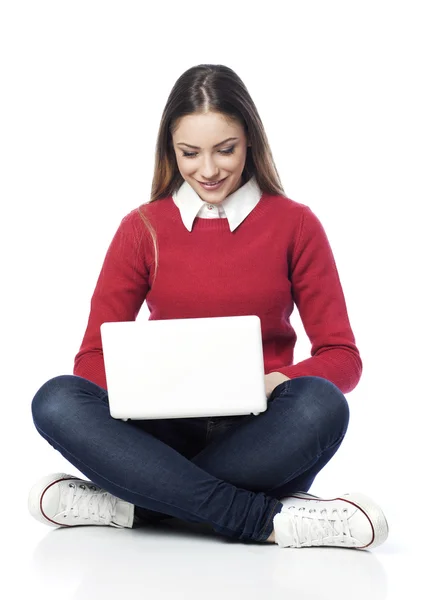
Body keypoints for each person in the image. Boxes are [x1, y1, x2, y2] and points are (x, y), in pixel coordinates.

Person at [29, 63, 388, 549]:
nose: (209, 170)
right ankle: (261, 520)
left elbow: (342, 356)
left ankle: (134, 502)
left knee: (322, 405)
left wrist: (271, 383)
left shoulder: (295, 225)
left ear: (250, 142)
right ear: (170, 151)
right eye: (190, 153)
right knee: (56, 400)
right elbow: (91, 359)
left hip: (259, 434)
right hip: (158, 435)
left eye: (226, 150)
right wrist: (143, 389)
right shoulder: (142, 228)